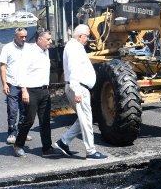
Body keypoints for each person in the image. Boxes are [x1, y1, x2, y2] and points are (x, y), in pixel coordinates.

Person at [54, 25, 107, 160]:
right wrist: (77, 90)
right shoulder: (74, 48)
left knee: (83, 118)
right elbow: (73, 69)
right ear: (80, 36)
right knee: (87, 119)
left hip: (78, 87)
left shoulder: (75, 47)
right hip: (79, 88)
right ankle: (90, 151)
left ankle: (63, 142)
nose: (88, 40)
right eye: (87, 36)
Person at [13, 30, 60, 157]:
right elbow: (21, 72)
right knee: (29, 120)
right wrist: (24, 91)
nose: (50, 41)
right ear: (39, 39)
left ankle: (47, 148)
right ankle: (18, 145)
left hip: (44, 90)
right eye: (48, 39)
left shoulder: (46, 51)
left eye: (50, 39)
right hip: (31, 91)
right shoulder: (29, 52)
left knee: (45, 121)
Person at [0, 27, 31, 144]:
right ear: (15, 36)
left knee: (25, 111)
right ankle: (12, 132)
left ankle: (22, 133)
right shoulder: (7, 48)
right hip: (12, 84)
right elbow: (3, 66)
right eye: (21, 37)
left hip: (26, 85)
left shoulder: (29, 48)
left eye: (25, 37)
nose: (24, 39)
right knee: (12, 110)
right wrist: (4, 84)